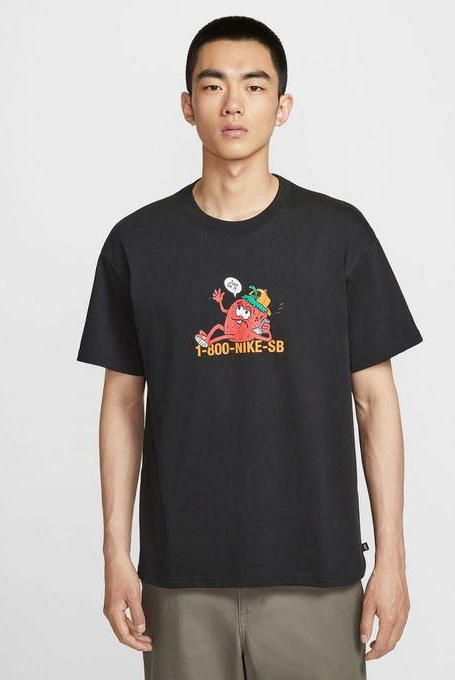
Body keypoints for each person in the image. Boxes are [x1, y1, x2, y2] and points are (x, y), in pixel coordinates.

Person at [77, 15, 423, 680]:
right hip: (180, 580)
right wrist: (116, 553)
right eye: (214, 86)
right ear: (188, 106)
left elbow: (376, 402)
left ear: (282, 106)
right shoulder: (136, 245)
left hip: (318, 577)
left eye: (254, 85)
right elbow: (121, 403)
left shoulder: (339, 236)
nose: (233, 103)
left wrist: (393, 559)